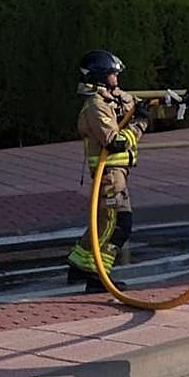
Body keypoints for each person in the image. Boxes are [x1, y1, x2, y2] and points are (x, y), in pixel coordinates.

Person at [66, 50, 152, 293]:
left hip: (117, 173)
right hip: (109, 175)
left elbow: (129, 101)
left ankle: (78, 263)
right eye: (113, 73)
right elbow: (115, 142)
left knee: (104, 222)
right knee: (119, 225)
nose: (117, 77)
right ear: (101, 77)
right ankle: (97, 276)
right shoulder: (96, 106)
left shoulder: (109, 99)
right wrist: (140, 124)